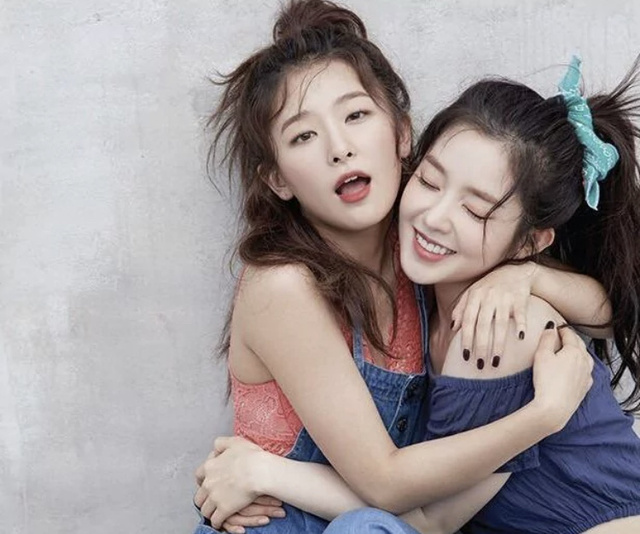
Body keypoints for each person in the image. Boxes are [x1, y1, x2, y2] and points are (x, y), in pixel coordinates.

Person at [192, 1, 609, 532]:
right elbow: (384, 484)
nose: (339, 149)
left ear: (403, 134)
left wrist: (525, 274)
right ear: (278, 179)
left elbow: (607, 313)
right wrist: (543, 417)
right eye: (303, 136)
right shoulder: (284, 288)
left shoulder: (421, 244)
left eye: (355, 115)